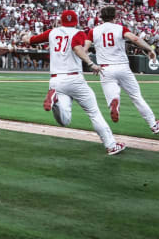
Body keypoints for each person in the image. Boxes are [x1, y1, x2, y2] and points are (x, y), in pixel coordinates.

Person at [23, 10, 125, 156]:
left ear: (61, 20)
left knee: (65, 121)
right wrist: (91, 63)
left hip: (56, 80)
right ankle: (111, 145)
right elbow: (77, 48)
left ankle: (56, 101)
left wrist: (23, 36)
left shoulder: (52, 32)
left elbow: (29, 40)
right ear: (76, 21)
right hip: (74, 78)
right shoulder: (79, 33)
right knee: (94, 112)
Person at [85, 6, 159, 134]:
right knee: (136, 97)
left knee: (112, 95)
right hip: (122, 67)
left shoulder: (93, 31)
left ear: (101, 17)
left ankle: (114, 102)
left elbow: (85, 49)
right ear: (114, 16)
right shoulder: (120, 28)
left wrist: (90, 63)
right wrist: (150, 49)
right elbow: (135, 39)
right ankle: (153, 124)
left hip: (105, 68)